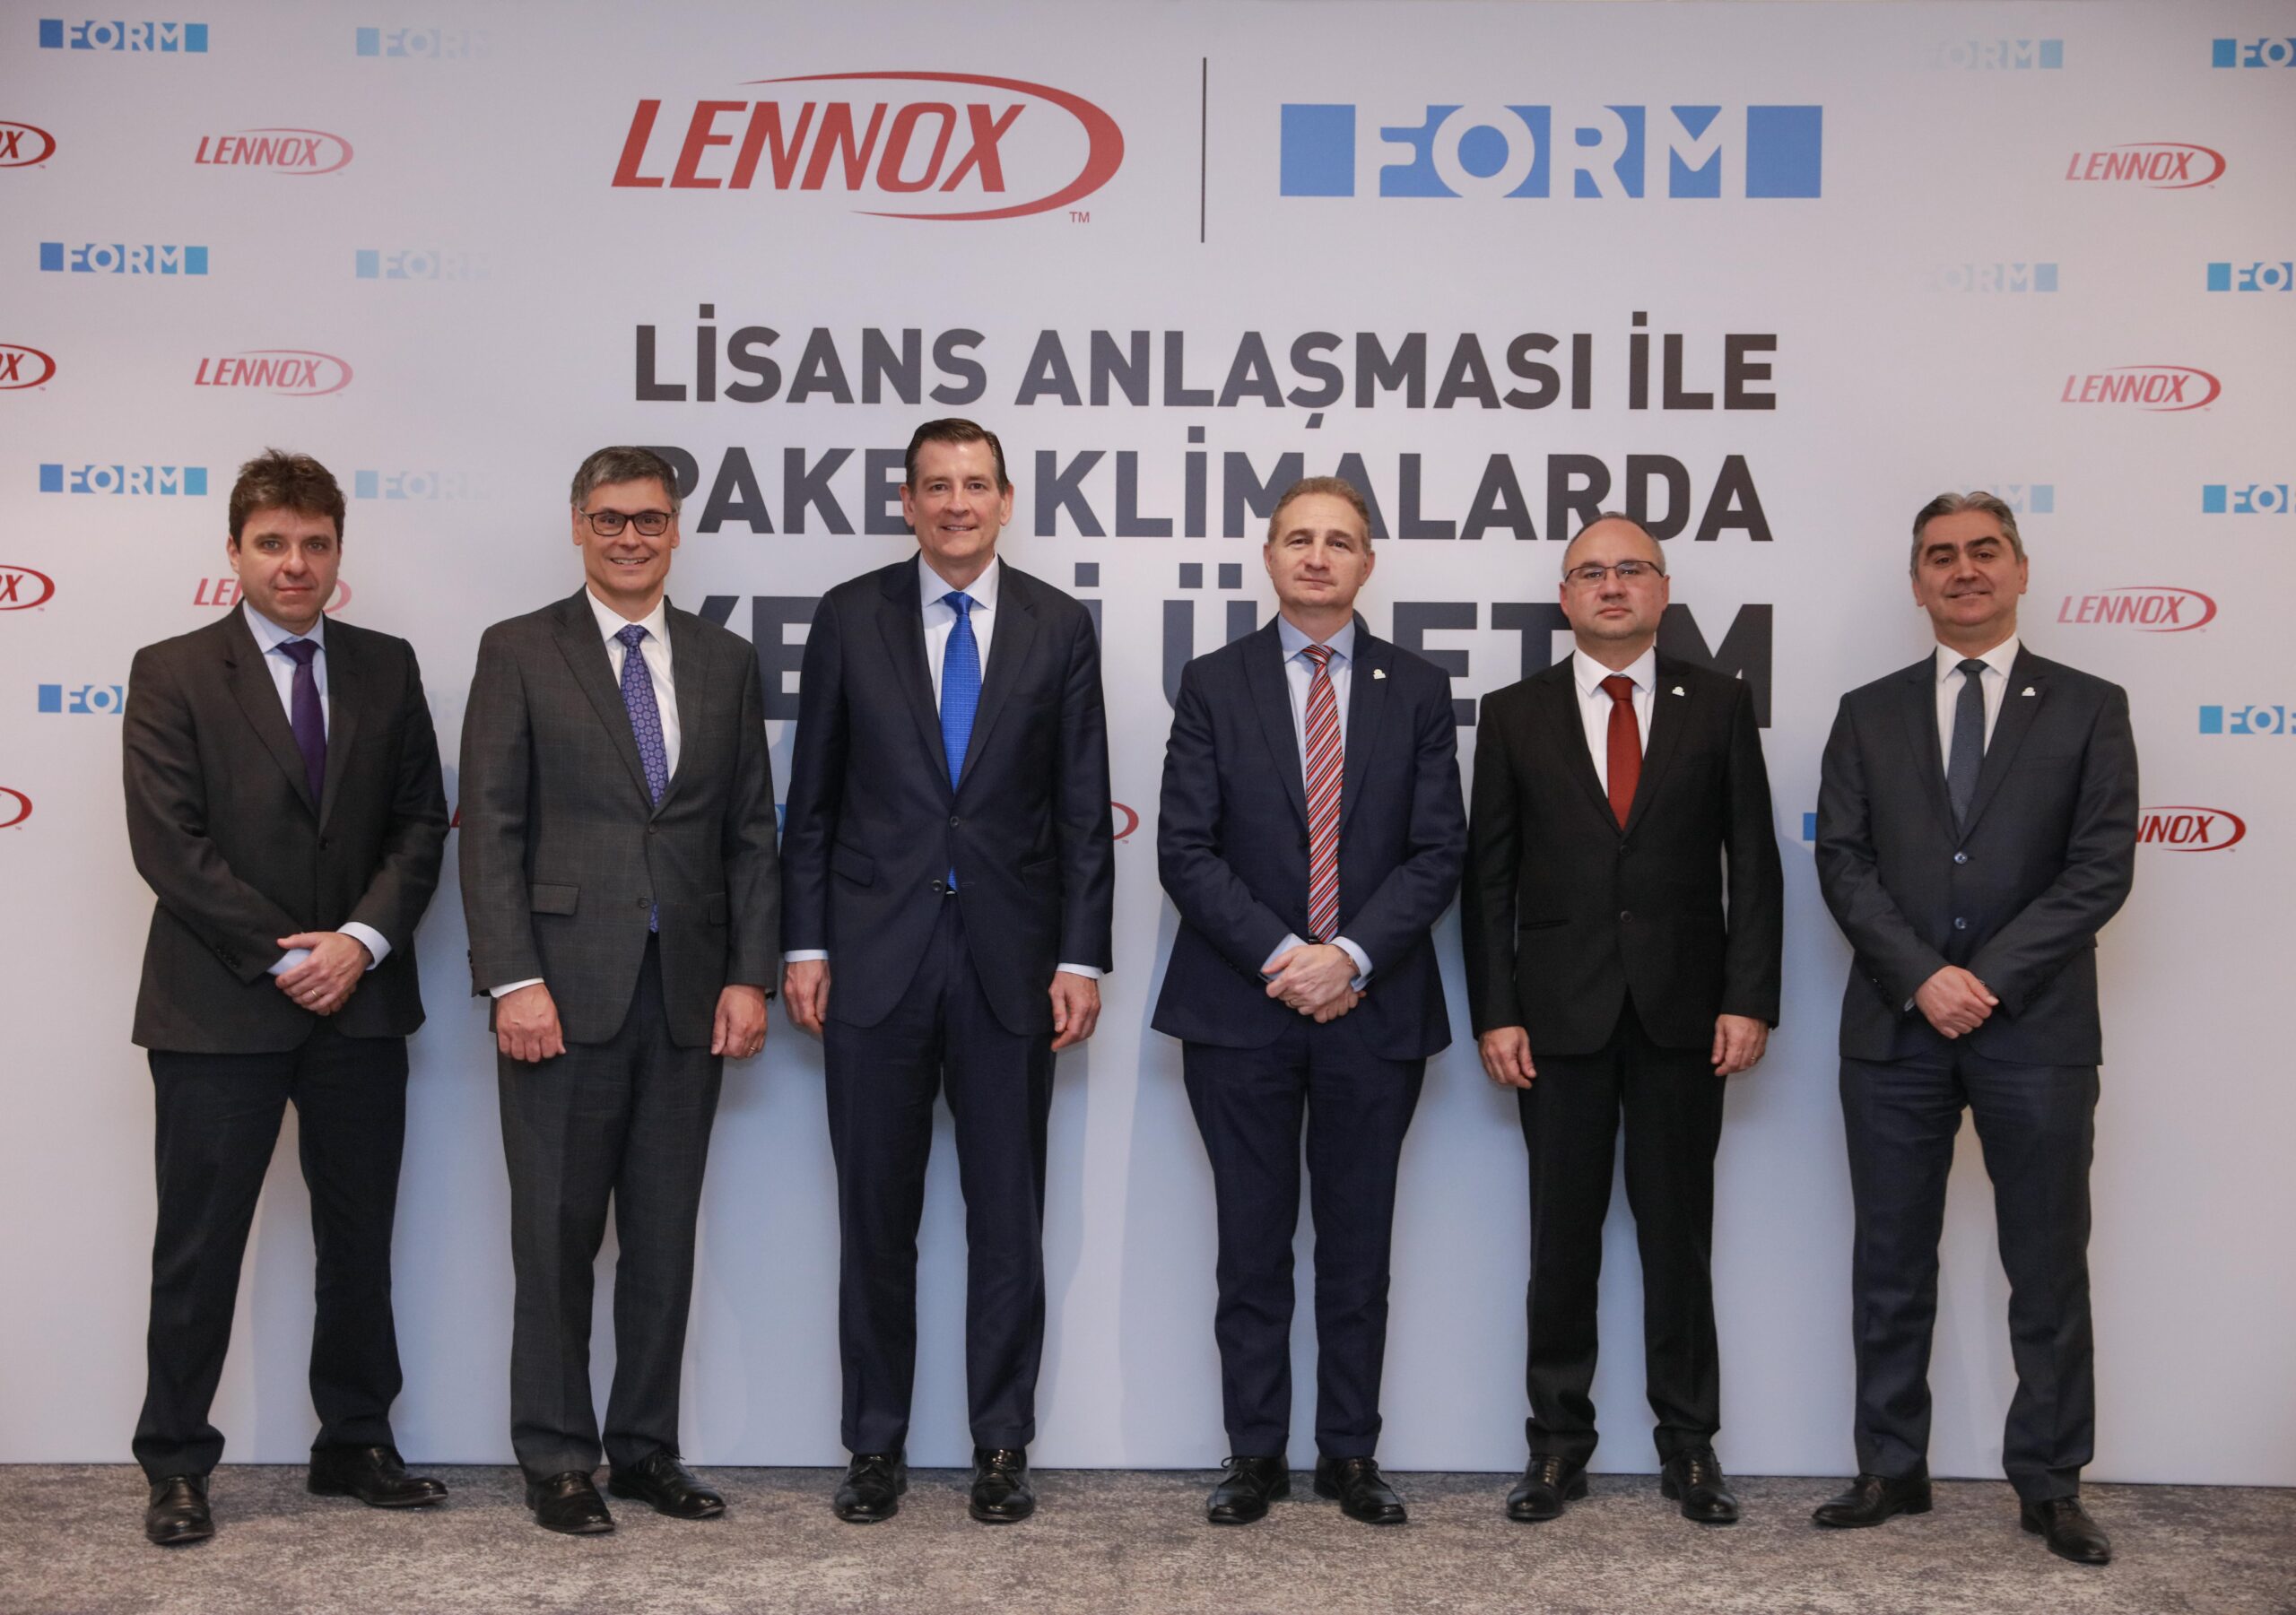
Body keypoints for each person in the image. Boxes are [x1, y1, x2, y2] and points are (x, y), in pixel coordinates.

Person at [780, 418, 1114, 1525]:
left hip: (1013, 966)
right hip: (872, 961)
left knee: (1007, 1218)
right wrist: (805, 944)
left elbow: (1082, 806)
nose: (957, 503)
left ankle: (1001, 1443)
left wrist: (1079, 955)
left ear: (1006, 500)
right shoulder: (850, 615)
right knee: (874, 1217)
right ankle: (873, 1444)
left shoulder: (1058, 624)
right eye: (936, 486)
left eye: (975, 485)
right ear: (908, 503)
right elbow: (812, 800)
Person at [122, 449, 449, 1546]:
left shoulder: (386, 665)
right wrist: (284, 956)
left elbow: (419, 824)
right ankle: (176, 1460)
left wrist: (357, 943)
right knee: (198, 1245)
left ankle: (354, 1440)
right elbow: (169, 844)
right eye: (273, 543)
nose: (295, 562)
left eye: (315, 543)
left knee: (359, 1238)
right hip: (218, 1011)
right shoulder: (172, 671)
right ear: (234, 551)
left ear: (338, 551)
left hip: (360, 1003)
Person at [459, 446, 779, 1535]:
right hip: (557, 993)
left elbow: (750, 833)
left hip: (687, 996)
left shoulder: (726, 660)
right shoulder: (518, 649)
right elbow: (490, 829)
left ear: (675, 529)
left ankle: (645, 1450)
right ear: (577, 525)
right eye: (609, 519)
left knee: (662, 1236)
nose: (630, 537)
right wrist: (513, 977)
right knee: (553, 1237)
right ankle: (558, 1457)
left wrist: (748, 974)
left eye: (648, 519)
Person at [1811, 491, 2135, 1567]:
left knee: (2045, 1266)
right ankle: (1889, 1467)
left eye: (1983, 551)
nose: (1963, 570)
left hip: (2035, 1032)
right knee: (1889, 1261)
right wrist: (1922, 977)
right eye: (1940, 556)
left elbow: (2098, 868)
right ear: (1915, 583)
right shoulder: (1866, 711)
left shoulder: (2089, 707)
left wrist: (1981, 980)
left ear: (2019, 568)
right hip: (1894, 1030)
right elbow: (1842, 861)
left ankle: (2050, 1483)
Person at [1153, 476, 1465, 1527]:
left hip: (1373, 1011)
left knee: (1357, 1249)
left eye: (1339, 541)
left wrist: (1352, 958)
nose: (1318, 556)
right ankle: (1254, 1454)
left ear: (1367, 562)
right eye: (1299, 539)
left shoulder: (1416, 688)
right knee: (1250, 1247)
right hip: (1239, 1009)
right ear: (1269, 556)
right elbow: (1184, 849)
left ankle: (1349, 1454)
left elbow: (1438, 851)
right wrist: (1291, 957)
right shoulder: (1213, 682)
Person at [1461, 513, 1782, 1526]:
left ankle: (1690, 1446)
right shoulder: (1513, 713)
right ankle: (1556, 1446)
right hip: (1555, 1020)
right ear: (1564, 597)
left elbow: (1754, 862)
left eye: (1630, 569)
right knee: (1560, 1243)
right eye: (1590, 572)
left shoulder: (1719, 702)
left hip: (1687, 1016)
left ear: (1662, 589)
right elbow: (1487, 881)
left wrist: (1748, 995)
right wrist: (1496, 1010)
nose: (1611, 585)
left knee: (1679, 1240)